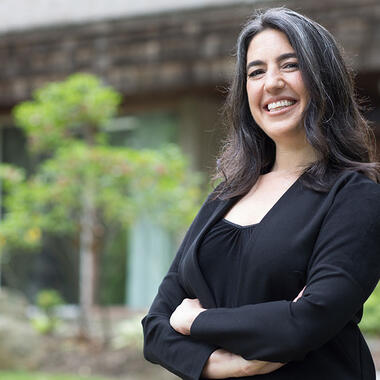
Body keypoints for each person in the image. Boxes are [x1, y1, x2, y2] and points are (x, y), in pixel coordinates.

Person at [142, 7, 380, 380]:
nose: (271, 83)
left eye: (290, 65)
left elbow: (305, 323)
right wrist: (219, 366)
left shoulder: (356, 197)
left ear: (324, 79)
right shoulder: (226, 195)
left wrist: (196, 320)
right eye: (256, 72)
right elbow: (156, 326)